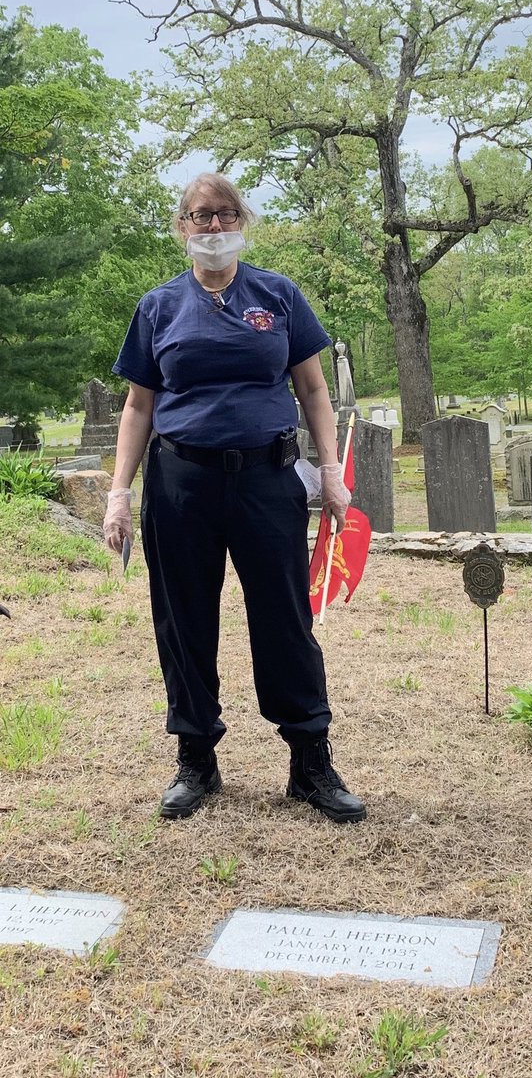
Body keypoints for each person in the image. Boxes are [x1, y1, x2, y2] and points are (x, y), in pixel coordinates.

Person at [103, 173, 365, 825]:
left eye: (223, 215)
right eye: (198, 216)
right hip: (180, 482)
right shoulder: (158, 307)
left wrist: (330, 471)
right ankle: (196, 759)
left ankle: (310, 762)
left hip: (266, 479)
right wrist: (117, 494)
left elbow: (314, 390)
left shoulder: (277, 295)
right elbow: (139, 406)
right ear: (181, 227)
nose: (212, 227)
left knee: (284, 619)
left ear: (241, 220)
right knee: (184, 619)